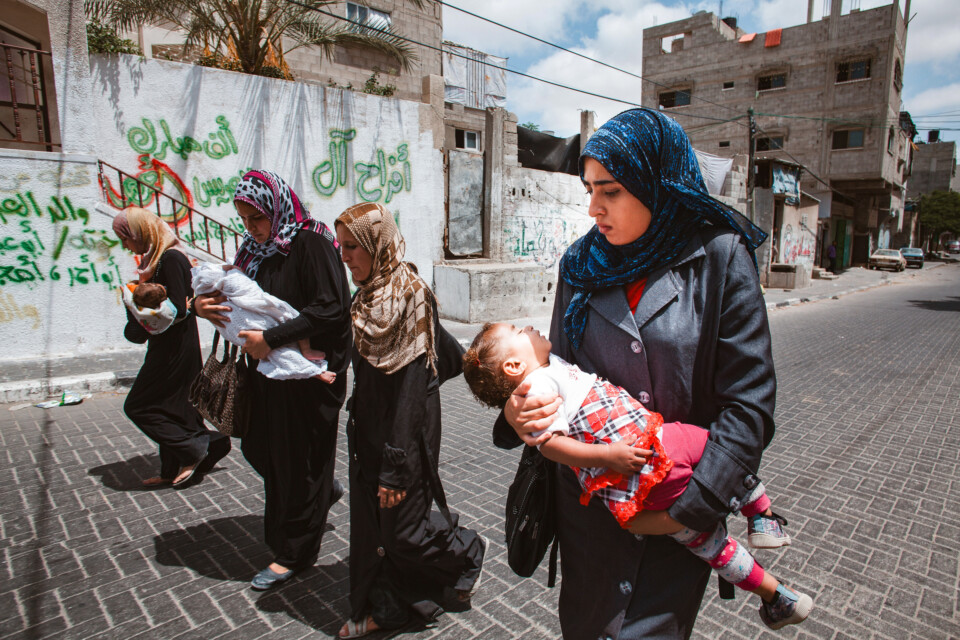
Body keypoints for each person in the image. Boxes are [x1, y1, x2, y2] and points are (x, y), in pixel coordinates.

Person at [495, 108, 782, 639]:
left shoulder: (718, 257)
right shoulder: (580, 265)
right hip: (593, 519)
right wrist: (519, 412)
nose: (593, 208)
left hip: (678, 517)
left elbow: (749, 405)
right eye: (589, 189)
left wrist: (692, 510)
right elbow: (553, 369)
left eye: (611, 191)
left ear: (657, 182)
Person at [464, 322, 811, 630]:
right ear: (513, 365)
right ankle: (761, 516)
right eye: (517, 331)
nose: (528, 327)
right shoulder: (538, 383)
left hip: (628, 486)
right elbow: (551, 446)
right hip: (648, 448)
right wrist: (606, 455)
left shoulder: (543, 368)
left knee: (712, 547)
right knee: (712, 448)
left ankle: (776, 595)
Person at [193, 170, 352, 591]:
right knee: (263, 449)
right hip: (265, 372)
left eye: (256, 219)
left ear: (276, 208)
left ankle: (294, 552)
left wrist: (271, 338)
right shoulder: (253, 251)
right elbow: (238, 294)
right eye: (244, 220)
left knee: (297, 463)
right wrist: (200, 304)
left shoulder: (312, 243)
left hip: (311, 376)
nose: (251, 229)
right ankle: (318, 494)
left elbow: (332, 309)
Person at [334, 203, 485, 639]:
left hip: (408, 427)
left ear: (376, 244)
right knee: (374, 527)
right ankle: (386, 607)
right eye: (341, 247)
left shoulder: (411, 293)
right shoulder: (366, 295)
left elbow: (411, 387)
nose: (344, 257)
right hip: (368, 426)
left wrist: (397, 464)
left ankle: (465, 548)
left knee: (403, 531)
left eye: (352, 247)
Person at [113, 206, 231, 489]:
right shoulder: (156, 261)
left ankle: (194, 448)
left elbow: (179, 309)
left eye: (125, 237)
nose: (124, 244)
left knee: (139, 406)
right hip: (166, 348)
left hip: (175, 351)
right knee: (174, 408)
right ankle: (185, 460)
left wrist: (139, 305)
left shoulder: (172, 259)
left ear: (141, 232)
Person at [190, 263, 335, 382]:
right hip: (254, 352)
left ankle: (308, 356)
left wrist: (268, 339)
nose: (252, 228)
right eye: (248, 224)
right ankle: (313, 370)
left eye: (257, 224)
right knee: (279, 353)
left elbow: (328, 307)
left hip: (295, 388)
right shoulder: (248, 248)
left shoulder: (309, 242)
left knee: (290, 317)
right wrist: (197, 305)